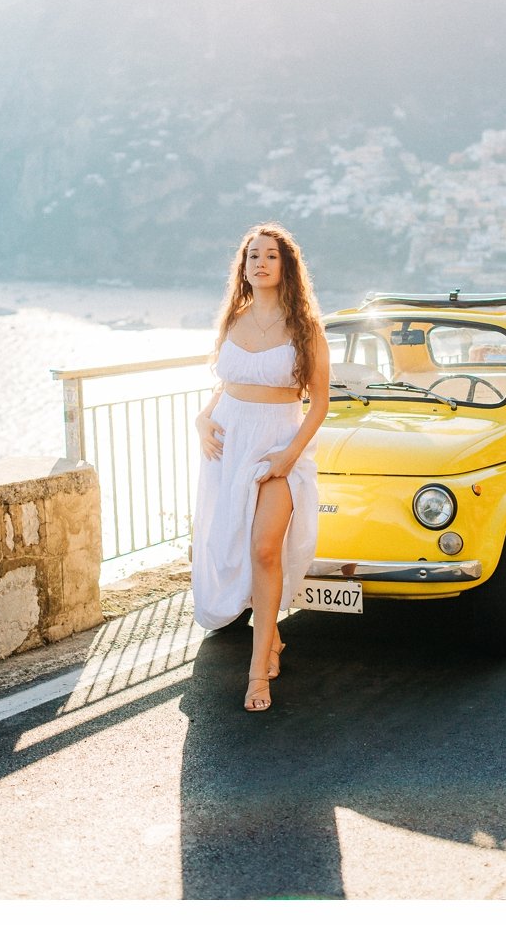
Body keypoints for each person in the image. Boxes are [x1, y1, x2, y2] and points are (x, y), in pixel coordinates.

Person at [192, 222, 331, 712]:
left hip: (279, 449)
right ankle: (269, 638)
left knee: (264, 548)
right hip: (228, 447)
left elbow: (318, 403)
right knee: (231, 546)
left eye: (270, 256)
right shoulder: (234, 318)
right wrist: (202, 419)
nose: (260, 263)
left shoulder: (306, 327)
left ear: (286, 266)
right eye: (253, 256)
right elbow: (228, 383)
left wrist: (288, 456)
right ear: (243, 267)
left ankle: (256, 677)